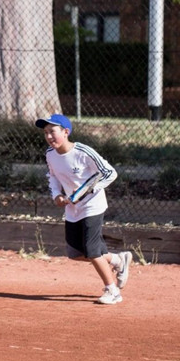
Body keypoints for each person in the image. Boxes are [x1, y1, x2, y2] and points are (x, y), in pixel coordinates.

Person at [35, 114, 132, 305]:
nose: (49, 136)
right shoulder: (50, 154)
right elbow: (52, 176)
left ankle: (112, 291)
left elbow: (110, 173)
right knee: (75, 253)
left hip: (92, 205)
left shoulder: (83, 152)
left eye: (52, 131)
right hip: (72, 208)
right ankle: (117, 260)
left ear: (65, 132)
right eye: (45, 133)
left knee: (92, 250)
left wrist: (90, 190)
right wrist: (57, 195)